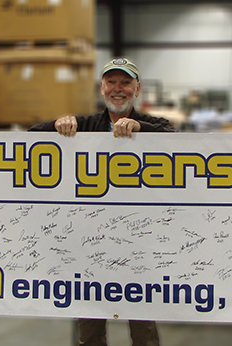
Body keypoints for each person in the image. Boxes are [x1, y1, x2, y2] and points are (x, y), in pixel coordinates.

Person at [30, 58, 175, 346]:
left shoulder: (155, 125)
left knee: (144, 330)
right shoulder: (85, 125)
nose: (117, 89)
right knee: (90, 330)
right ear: (101, 88)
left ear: (137, 88)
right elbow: (29, 138)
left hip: (138, 245)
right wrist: (59, 124)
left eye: (125, 83)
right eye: (111, 82)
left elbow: (178, 143)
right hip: (89, 246)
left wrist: (140, 128)